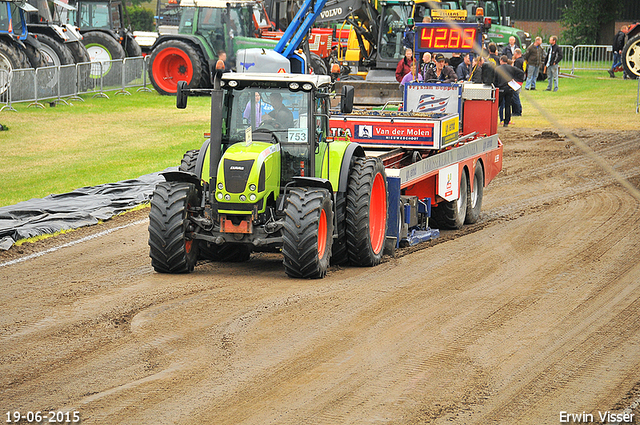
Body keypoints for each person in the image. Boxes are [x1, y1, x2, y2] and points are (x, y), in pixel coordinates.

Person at [495, 55, 524, 127]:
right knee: (508, 106)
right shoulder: (511, 68)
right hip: (510, 88)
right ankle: (506, 122)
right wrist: (517, 81)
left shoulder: (497, 68)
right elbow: (521, 72)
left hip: (501, 88)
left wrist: (496, 85)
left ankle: (494, 120)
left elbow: (494, 79)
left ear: (501, 60)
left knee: (497, 106)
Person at [511, 48, 525, 116]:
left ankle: (517, 111)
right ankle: (516, 111)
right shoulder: (523, 60)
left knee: (515, 96)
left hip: (516, 80)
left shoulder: (518, 62)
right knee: (516, 95)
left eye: (514, 54)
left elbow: (514, 70)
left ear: (517, 53)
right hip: (521, 80)